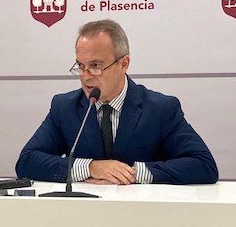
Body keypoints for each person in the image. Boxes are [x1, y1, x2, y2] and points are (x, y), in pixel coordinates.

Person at [15, 19, 218, 185]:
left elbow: (203, 166)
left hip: (145, 219)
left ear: (124, 64)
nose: (85, 76)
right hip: (82, 219)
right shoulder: (64, 107)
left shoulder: (160, 108)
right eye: (80, 66)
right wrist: (91, 167)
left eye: (95, 66)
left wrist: (132, 174)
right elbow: (27, 161)